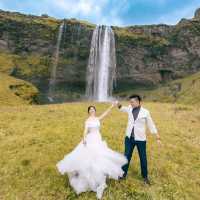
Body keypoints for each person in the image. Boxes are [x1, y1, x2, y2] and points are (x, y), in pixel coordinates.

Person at [56, 104, 127, 199]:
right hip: (91, 139)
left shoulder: (97, 118)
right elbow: (85, 130)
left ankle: (99, 174)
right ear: (88, 112)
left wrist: (112, 106)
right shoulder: (88, 121)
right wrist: (84, 139)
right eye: (90, 110)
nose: (92, 111)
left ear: (95, 111)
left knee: (100, 156)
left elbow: (106, 113)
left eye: (93, 109)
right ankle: (87, 176)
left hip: (98, 139)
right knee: (89, 157)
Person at [115, 94, 161, 184]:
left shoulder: (145, 112)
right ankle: (122, 174)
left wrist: (157, 137)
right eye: (130, 102)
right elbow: (122, 108)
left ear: (138, 102)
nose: (130, 103)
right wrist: (118, 104)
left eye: (132, 102)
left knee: (143, 158)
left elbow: (151, 124)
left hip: (140, 139)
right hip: (129, 138)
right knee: (126, 156)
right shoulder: (129, 108)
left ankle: (145, 177)